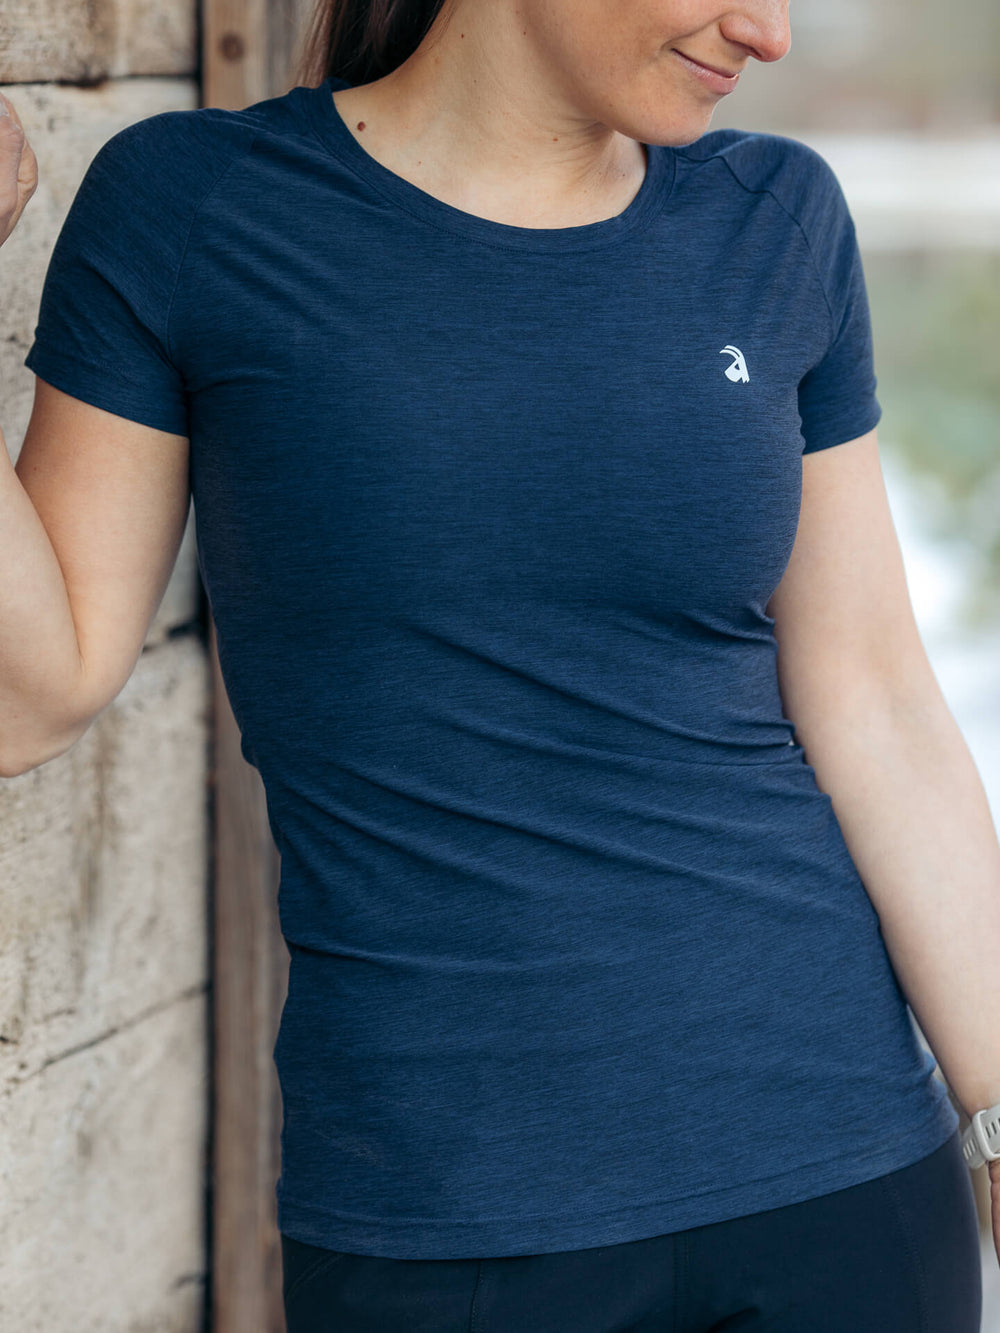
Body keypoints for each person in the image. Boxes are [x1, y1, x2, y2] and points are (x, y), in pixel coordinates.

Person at [2, 0, 998, 1327]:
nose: (768, 32)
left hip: (845, 1179)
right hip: (445, 1215)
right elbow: (29, 693)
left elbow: (878, 701)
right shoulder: (197, 207)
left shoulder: (775, 216)